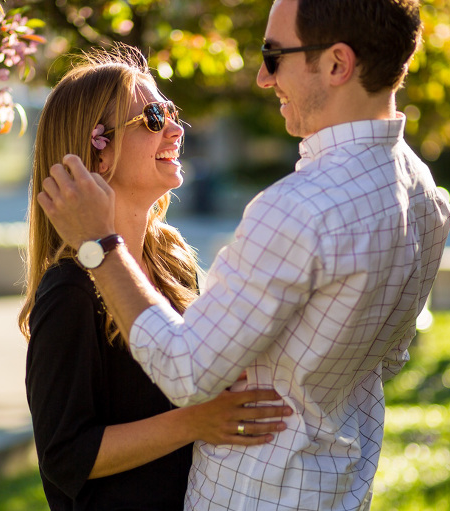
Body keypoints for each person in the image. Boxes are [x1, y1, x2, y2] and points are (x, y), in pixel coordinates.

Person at [36, 1, 450, 510]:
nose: (262, 76)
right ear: (94, 149)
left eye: (274, 55)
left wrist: (102, 247)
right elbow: (389, 356)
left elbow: (188, 371)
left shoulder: (286, 214)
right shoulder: (425, 194)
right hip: (338, 490)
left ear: (337, 64)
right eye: (153, 116)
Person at [19, 46, 292, 510]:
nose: (176, 129)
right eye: (151, 117)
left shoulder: (173, 258)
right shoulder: (69, 291)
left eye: (170, 112)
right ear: (98, 155)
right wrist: (194, 422)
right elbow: (64, 456)